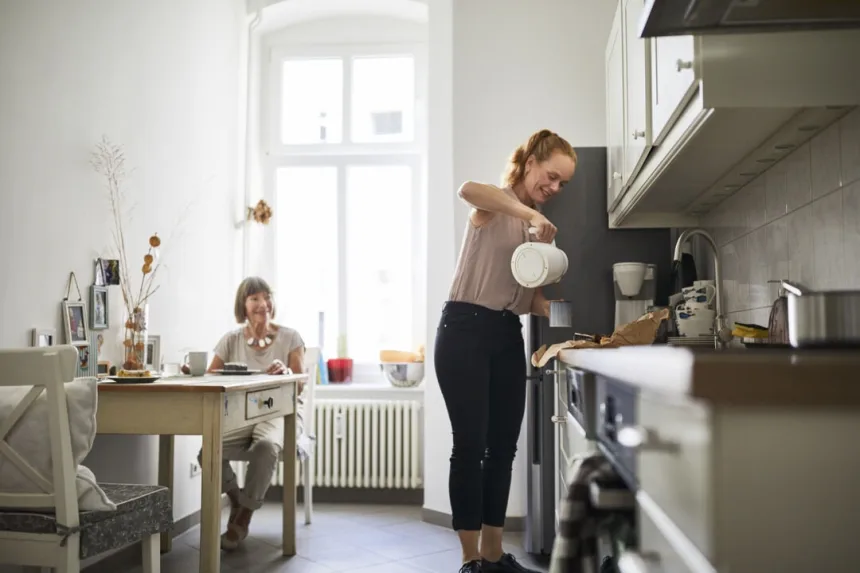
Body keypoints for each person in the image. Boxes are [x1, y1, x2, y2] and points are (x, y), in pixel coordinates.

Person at [436, 129, 578, 573]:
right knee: (471, 445)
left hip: (504, 333)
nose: (554, 189)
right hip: (463, 330)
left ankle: (494, 554)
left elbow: (524, 298)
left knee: (502, 448)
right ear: (531, 161)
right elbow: (466, 189)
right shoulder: (494, 204)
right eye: (551, 176)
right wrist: (526, 212)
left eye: (563, 184)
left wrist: (558, 312)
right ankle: (470, 560)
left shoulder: (537, 227)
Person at [197, 276, 305, 551]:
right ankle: (237, 498)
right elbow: (211, 378)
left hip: (280, 412)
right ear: (243, 305)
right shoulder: (231, 340)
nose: (263, 304)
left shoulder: (290, 337)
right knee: (207, 453)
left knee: (266, 448)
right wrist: (194, 372)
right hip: (240, 414)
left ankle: (244, 516)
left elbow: (301, 383)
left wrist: (288, 372)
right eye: (254, 298)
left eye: (266, 297)